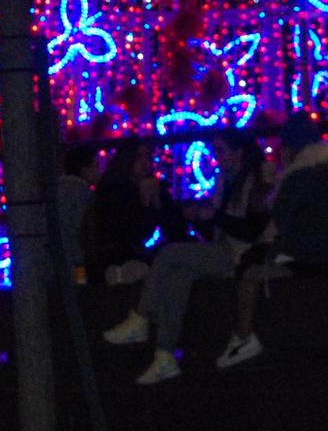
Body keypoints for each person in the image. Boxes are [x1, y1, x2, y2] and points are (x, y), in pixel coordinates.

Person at [101, 133, 275, 384]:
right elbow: (215, 228)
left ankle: (140, 316)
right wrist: (200, 218)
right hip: (225, 250)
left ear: (239, 153)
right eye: (214, 151)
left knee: (169, 253)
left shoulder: (257, 179)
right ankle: (165, 355)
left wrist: (212, 217)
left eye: (221, 150)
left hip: (243, 255)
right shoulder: (225, 181)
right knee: (176, 278)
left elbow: (251, 230)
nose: (216, 157)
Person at [215, 114, 328, 371]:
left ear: (289, 149)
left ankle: (243, 337)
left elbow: (281, 225)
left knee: (250, 270)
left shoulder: (295, 178)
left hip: (315, 257)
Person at [82, 141, 186, 286]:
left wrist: (157, 201)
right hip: (114, 256)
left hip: (147, 255)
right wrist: (144, 203)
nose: (145, 163)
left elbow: (177, 230)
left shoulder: (154, 188)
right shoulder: (113, 191)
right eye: (138, 158)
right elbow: (129, 233)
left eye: (147, 157)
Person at [55, 143, 100, 276]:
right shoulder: (82, 193)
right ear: (84, 170)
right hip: (77, 260)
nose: (99, 171)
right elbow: (82, 230)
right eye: (96, 166)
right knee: (80, 289)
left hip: (57, 262)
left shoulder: (57, 191)